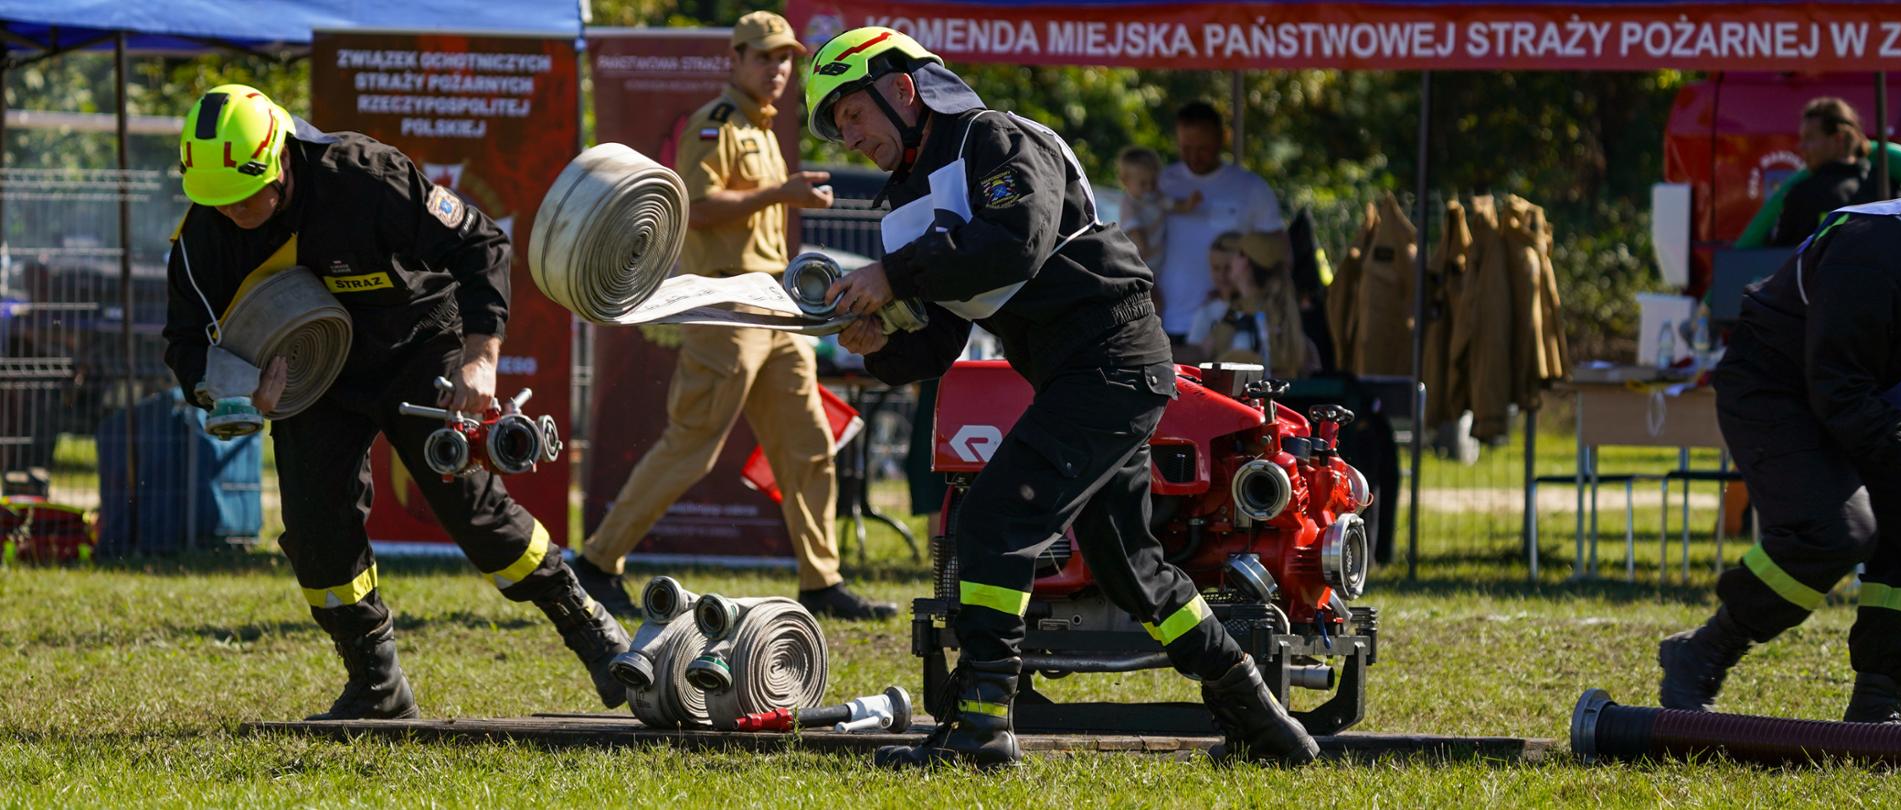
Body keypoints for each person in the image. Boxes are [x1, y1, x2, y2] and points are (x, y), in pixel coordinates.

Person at [803, 25, 1319, 769]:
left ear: (902, 89)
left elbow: (1017, 239)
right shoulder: (909, 206)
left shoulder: (994, 139)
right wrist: (879, 345)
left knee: (994, 517)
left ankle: (982, 727)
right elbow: (939, 341)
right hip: (1085, 374)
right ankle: (1262, 720)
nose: (846, 137)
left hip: (1112, 359)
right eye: (837, 127)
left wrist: (895, 278)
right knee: (1133, 569)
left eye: (850, 114)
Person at [162, 84, 629, 720]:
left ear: (281, 159)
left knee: (468, 504)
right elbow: (185, 344)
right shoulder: (202, 236)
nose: (236, 211)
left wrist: (480, 357)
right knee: (318, 533)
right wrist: (228, 390)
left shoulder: (363, 176)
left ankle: (591, 629)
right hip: (311, 376)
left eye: (247, 194)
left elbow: (481, 245)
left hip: (418, 346)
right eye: (218, 199)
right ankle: (376, 685)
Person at [570, 11, 895, 623]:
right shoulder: (716, 124)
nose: (778, 70)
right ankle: (595, 563)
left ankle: (822, 582)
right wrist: (783, 194)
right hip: (726, 305)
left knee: (809, 447)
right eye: (765, 57)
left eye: (785, 59)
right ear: (736, 60)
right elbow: (691, 204)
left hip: (777, 307)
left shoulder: (764, 127)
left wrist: (785, 198)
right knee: (691, 446)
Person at [1660, 196, 1901, 724]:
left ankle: (1879, 697)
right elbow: (1838, 393)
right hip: (1778, 386)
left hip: (1870, 398)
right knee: (1837, 532)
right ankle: (1707, 649)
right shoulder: (1874, 254)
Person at [1157, 100, 1284, 353]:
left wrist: (1242, 294)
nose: (1194, 157)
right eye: (1186, 148)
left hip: (1230, 321)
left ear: (1223, 138)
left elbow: (1277, 254)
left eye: (1202, 148)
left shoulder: (1249, 187)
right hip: (1166, 319)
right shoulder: (1162, 183)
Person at [1194, 230, 1318, 378]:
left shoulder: (1250, 315)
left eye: (1238, 253)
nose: (1232, 259)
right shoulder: (1271, 310)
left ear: (1245, 262)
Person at [1768, 97, 1875, 247]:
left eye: (1809, 138)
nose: (1802, 146)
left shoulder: (1802, 194)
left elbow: (1781, 259)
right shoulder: (1885, 185)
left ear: (1839, 138)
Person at [1116, 145, 1198, 281]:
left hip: (1158, 264)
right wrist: (1143, 247)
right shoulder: (1129, 204)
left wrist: (1190, 203)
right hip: (1139, 264)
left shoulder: (1157, 197)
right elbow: (1134, 229)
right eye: (1143, 184)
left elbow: (1177, 206)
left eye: (1153, 182)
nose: (1149, 188)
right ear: (1126, 181)